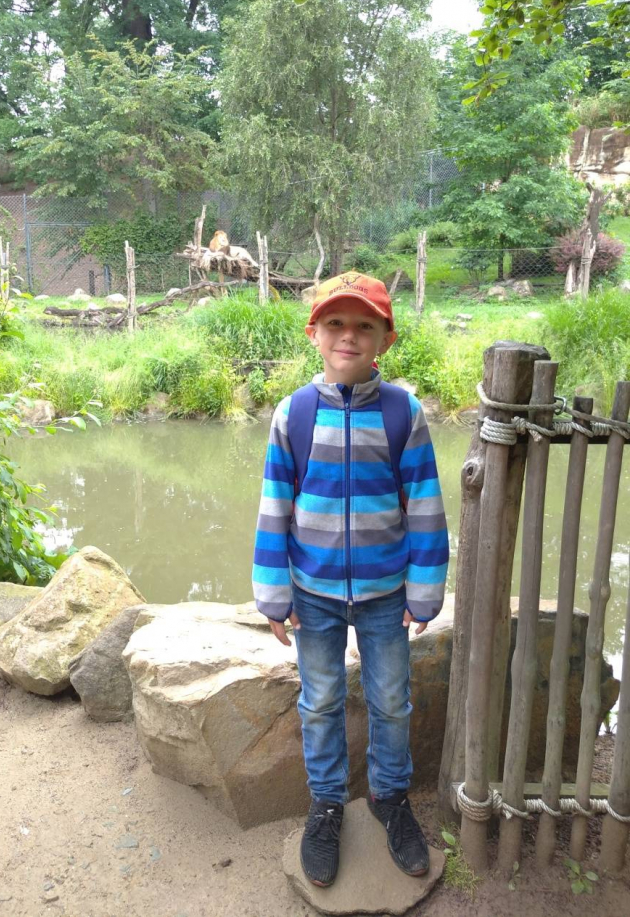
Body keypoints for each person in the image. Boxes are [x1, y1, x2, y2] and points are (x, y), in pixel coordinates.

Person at [252, 271, 449, 888]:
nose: (348, 335)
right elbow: (274, 506)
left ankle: (391, 798)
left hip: (386, 594)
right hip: (312, 595)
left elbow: (424, 504)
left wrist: (424, 588)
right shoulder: (294, 413)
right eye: (335, 323)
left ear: (385, 339)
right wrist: (273, 592)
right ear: (313, 333)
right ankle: (327, 804)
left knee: (391, 700)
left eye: (365, 325)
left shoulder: (402, 413)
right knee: (320, 702)